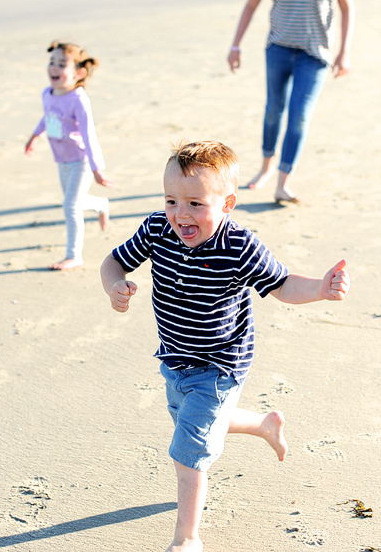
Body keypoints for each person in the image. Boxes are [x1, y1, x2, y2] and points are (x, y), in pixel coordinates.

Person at [100, 140, 350, 552]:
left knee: (188, 451)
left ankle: (187, 538)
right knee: (195, 424)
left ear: (228, 203)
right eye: (171, 200)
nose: (181, 213)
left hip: (219, 366)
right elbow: (113, 261)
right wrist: (114, 286)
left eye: (196, 203)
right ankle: (264, 425)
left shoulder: (238, 246)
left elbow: (283, 284)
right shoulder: (156, 230)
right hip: (175, 359)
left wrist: (321, 289)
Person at [228, 0, 354, 203]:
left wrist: (344, 53)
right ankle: (266, 168)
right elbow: (251, 5)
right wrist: (235, 45)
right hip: (279, 49)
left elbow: (347, 8)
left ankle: (283, 184)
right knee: (274, 109)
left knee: (299, 115)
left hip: (315, 54)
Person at [25, 42, 113, 271]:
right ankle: (101, 205)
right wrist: (35, 136)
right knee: (77, 201)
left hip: (81, 161)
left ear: (79, 73)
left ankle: (74, 255)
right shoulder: (48, 93)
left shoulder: (78, 100)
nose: (54, 67)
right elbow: (48, 117)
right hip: (61, 160)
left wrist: (97, 169)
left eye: (62, 64)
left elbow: (89, 135)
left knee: (70, 206)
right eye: (52, 62)